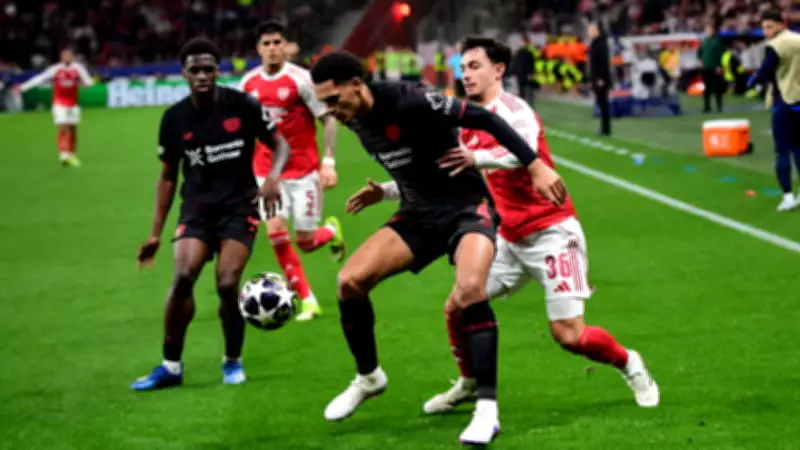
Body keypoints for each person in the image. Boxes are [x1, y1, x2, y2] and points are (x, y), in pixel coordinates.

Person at [348, 33, 659, 418]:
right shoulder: (462, 122)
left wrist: (477, 159)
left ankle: (629, 362)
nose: (466, 75)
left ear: (498, 70)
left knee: (568, 335)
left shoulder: (515, 111)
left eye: (474, 66)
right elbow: (443, 175)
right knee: (458, 305)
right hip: (507, 237)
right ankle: (469, 383)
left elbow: (520, 154)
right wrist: (386, 191)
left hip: (552, 233)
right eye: (463, 68)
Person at [310, 51, 568, 445]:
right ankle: (369, 377)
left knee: (470, 289)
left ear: (356, 85)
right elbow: (415, 165)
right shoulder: (355, 119)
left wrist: (534, 164)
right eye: (323, 103)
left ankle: (487, 410)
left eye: (333, 100)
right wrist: (386, 192)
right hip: (418, 214)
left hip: (466, 207)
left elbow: (485, 119)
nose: (329, 111)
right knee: (349, 282)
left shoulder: (412, 99)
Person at [132, 37, 289, 391]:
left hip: (239, 208)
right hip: (197, 210)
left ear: (218, 71)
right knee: (183, 276)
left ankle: (232, 360)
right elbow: (168, 177)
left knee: (227, 282)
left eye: (208, 69)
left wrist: (272, 178)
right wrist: (155, 233)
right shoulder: (174, 119)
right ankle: (170, 366)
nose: (202, 75)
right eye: (195, 70)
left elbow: (280, 143)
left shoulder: (243, 105)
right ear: (184, 74)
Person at [239, 21, 343, 321]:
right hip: (267, 173)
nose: (273, 49)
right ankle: (307, 299)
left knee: (306, 241)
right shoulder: (247, 84)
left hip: (303, 170)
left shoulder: (302, 80)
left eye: (277, 43)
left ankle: (331, 231)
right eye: (267, 44)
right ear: (258, 49)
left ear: (285, 46)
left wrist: (329, 162)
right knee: (276, 233)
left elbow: (328, 118)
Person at [748, 10, 800, 212]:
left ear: (780, 24)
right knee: (798, 148)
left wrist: (752, 82)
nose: (766, 31)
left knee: (782, 150)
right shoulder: (798, 39)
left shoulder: (776, 45)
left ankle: (787, 196)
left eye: (769, 26)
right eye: (764, 27)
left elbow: (765, 71)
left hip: (784, 101)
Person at [16, 48, 93, 167]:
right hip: (59, 102)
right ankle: (64, 155)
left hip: (73, 103)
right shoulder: (55, 69)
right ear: (61, 57)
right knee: (63, 126)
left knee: (73, 128)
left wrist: (85, 83)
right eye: (64, 55)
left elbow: (89, 82)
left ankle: (72, 154)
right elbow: (40, 78)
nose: (66, 57)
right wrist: (23, 87)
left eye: (69, 55)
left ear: (72, 57)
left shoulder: (78, 68)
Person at [588, 23, 611, 136]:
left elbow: (603, 63)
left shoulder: (600, 44)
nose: (589, 32)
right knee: (601, 103)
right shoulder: (595, 43)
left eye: (591, 30)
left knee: (603, 103)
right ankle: (604, 127)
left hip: (600, 79)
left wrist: (601, 78)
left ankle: (605, 129)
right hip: (596, 78)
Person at [698, 22, 725, 113]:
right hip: (706, 68)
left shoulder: (717, 41)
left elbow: (720, 54)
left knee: (717, 87)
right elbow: (699, 53)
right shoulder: (704, 41)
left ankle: (719, 106)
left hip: (715, 68)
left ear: (713, 31)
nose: (708, 31)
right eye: (707, 30)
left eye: (710, 30)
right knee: (707, 88)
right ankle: (707, 106)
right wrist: (701, 61)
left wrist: (719, 66)